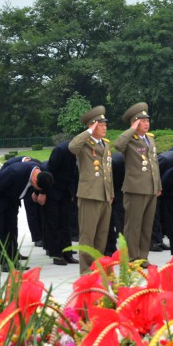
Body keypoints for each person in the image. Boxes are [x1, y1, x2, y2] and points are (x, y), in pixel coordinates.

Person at [0, 159, 54, 271]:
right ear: (34, 180)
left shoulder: (41, 171)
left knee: (12, 230)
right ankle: (4, 262)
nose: (36, 190)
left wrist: (38, 192)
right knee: (0, 231)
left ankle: (14, 260)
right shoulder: (14, 172)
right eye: (37, 188)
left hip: (13, 201)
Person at [113, 102, 161, 262]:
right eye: (142, 121)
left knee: (147, 226)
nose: (146, 124)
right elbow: (118, 145)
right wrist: (131, 129)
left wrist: (158, 186)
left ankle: (143, 257)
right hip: (135, 189)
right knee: (133, 226)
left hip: (151, 188)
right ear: (134, 122)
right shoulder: (129, 139)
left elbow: (154, 164)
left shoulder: (150, 139)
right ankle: (131, 257)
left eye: (147, 120)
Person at [69, 106, 114, 273]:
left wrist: (111, 193)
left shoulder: (106, 144)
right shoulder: (84, 144)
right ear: (92, 125)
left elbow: (108, 171)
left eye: (105, 125)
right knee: (88, 236)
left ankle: (98, 269)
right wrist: (88, 131)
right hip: (89, 195)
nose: (104, 127)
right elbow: (72, 147)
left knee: (102, 236)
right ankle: (86, 271)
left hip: (104, 195)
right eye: (101, 124)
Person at [42, 141, 79, 265]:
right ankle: (57, 254)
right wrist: (43, 192)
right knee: (54, 223)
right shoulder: (61, 150)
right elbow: (49, 171)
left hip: (66, 192)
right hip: (53, 191)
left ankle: (67, 253)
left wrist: (72, 193)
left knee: (65, 223)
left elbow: (75, 174)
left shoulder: (77, 151)